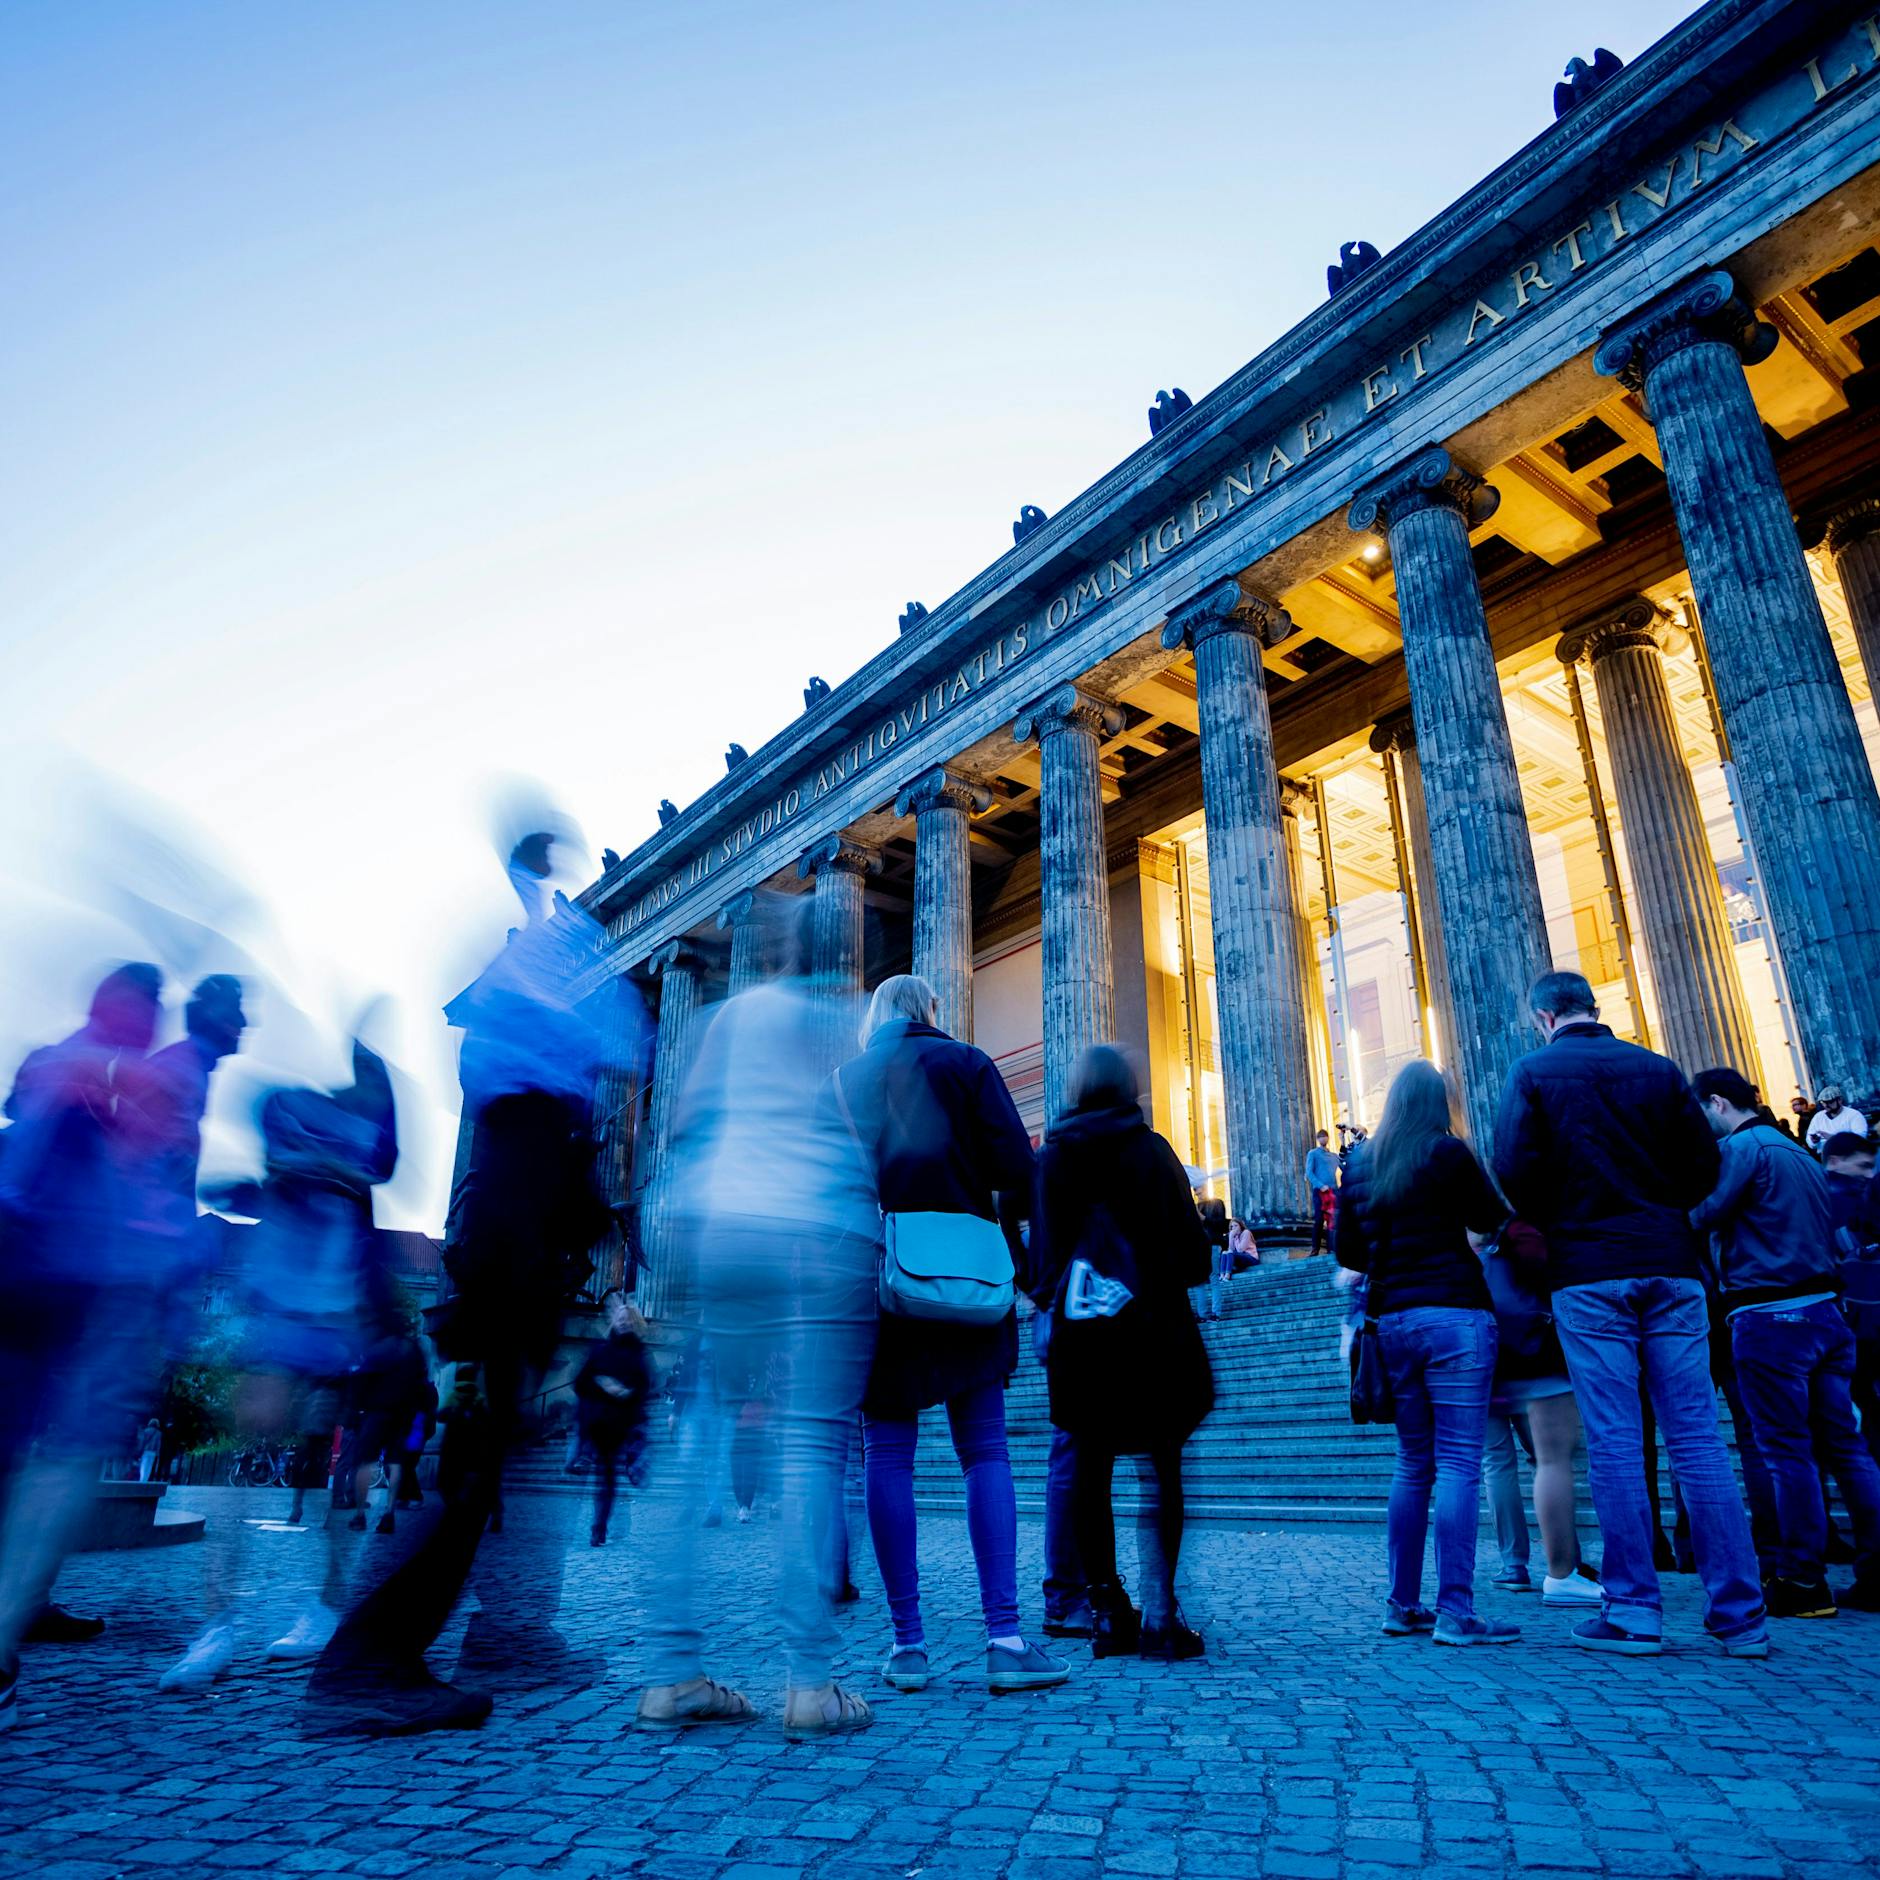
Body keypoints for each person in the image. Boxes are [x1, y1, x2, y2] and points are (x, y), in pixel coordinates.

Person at [636, 892, 879, 1739]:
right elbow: (865, 1128)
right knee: (811, 1441)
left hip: (723, 1229)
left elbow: (684, 1121)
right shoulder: (842, 1019)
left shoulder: (730, 1018)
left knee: (697, 1435)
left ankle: (672, 1672)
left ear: (772, 952)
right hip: (816, 1235)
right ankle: (810, 1685)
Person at [1494, 970, 1767, 1659]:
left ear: (1543, 1016)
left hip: (1588, 1272)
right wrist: (1658, 1207)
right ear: (1591, 1007)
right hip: (1671, 1265)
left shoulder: (1533, 1070)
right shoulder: (1657, 1066)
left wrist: (1566, 1217)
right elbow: (1705, 1164)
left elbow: (1514, 1171)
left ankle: (1637, 1612)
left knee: (1616, 1441)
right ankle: (1741, 1616)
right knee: (1700, 1441)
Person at [838, 975, 1067, 1697]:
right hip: (968, 1279)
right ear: (930, 1012)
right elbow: (1016, 1172)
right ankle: (1004, 1638)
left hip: (879, 1280)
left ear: (877, 1018)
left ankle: (908, 1646)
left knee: (888, 1455)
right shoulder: (967, 1063)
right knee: (984, 1452)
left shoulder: (845, 1081)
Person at [0, 962, 166, 1732]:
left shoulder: (99, 1106)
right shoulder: (65, 1101)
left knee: (45, 1463)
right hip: (31, 1297)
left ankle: (14, 1622)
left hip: (61, 1306)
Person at [1033, 1044, 1213, 1660]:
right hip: (1154, 1333)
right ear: (1129, 1085)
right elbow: (1193, 1255)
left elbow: (1043, 1263)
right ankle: (1162, 1615)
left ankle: (1107, 1611)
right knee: (1162, 1468)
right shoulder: (1152, 1150)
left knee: (1089, 1469)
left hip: (1082, 1342)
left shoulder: (1053, 1159)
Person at [1337, 1059, 1516, 1646]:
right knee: (1462, 1462)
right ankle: (1456, 1611)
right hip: (1456, 1314)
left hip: (1393, 1323)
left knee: (1414, 1464)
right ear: (1440, 1103)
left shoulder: (1361, 1163)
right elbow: (1491, 1219)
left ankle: (1401, 1603)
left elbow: (1351, 1252)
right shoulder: (1446, 1152)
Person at [1690, 1068, 1880, 1616]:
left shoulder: (1745, 1148)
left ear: (1718, 1103)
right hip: (1824, 1311)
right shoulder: (1798, 1153)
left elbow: (1701, 1216)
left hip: (1772, 1313)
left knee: (1786, 1451)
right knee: (1846, 1447)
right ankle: (1876, 1568)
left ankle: (1800, 1579)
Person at [1477, 1222, 1600, 1608]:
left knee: (1497, 1464)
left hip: (1483, 1359)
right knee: (1549, 1460)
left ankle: (1513, 1564)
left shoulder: (1458, 1241)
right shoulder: (1519, 1230)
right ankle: (1565, 1562)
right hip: (1530, 1355)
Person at [575, 1289, 651, 1547]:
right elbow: (580, 1383)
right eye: (620, 1318)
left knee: (608, 1477)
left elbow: (644, 1388)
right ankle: (599, 1527)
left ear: (633, 1323)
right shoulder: (600, 1350)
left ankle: (602, 1525)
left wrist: (627, 1392)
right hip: (601, 1423)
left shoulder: (639, 1353)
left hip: (624, 1423)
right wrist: (604, 1384)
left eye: (628, 1319)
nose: (624, 1322)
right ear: (613, 1322)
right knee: (605, 1477)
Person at [1805, 1086, 1868, 1159]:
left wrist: (1833, 1138)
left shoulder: (1854, 1115)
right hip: (1825, 1158)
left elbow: (1860, 1139)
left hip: (1848, 1157)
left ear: (1840, 1100)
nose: (1826, 1105)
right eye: (1823, 1102)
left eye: (1830, 1102)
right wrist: (1813, 1141)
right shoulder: (1818, 1117)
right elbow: (1809, 1141)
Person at [1306, 1130, 1339, 1258]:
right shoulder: (1313, 1153)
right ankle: (1315, 1248)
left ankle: (1332, 1248)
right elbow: (1309, 1172)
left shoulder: (1334, 1156)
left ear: (1328, 1138)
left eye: (1325, 1136)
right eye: (1320, 1137)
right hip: (1319, 1191)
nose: (1323, 1138)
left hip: (1333, 1191)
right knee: (1319, 1219)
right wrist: (1320, 1185)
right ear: (1317, 1139)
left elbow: (1345, 1166)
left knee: (1333, 1220)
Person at [1198, 1198, 1231, 1321]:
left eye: (1199, 1188)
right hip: (1198, 1246)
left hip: (1212, 1244)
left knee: (1213, 1277)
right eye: (1195, 1190)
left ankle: (1215, 1313)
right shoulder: (1197, 1206)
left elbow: (1222, 1224)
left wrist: (1204, 1218)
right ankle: (1202, 1315)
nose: (1197, 1192)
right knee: (1198, 1282)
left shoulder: (1217, 1203)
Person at [137, 1417, 163, 1485]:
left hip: (146, 1451)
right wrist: (158, 1452)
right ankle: (145, 1480)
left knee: (143, 1465)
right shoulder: (159, 1433)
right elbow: (158, 1444)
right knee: (149, 1466)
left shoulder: (146, 1431)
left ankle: (141, 1480)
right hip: (153, 1452)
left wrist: (140, 1450)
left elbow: (142, 1441)